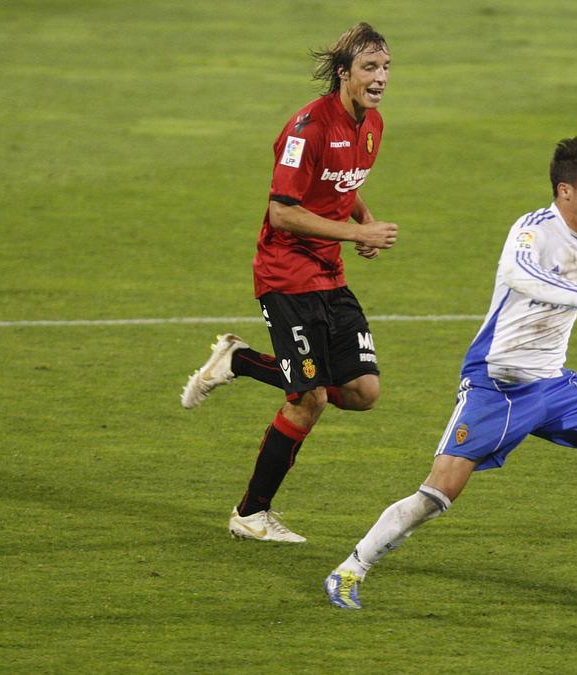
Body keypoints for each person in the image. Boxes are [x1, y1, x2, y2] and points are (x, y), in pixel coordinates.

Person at [323, 136, 577, 609]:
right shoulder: (531, 230)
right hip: (498, 384)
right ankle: (350, 569)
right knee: (437, 494)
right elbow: (519, 274)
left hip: (552, 383)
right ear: (564, 190)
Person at [179, 22, 397, 543]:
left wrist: (361, 223)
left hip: (329, 274)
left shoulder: (372, 125)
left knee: (364, 391)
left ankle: (238, 361)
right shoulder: (307, 128)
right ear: (344, 73)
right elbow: (281, 213)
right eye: (370, 67)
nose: (381, 77)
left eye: (386, 67)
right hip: (286, 274)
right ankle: (251, 513)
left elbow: (343, 185)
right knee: (310, 398)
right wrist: (351, 231)